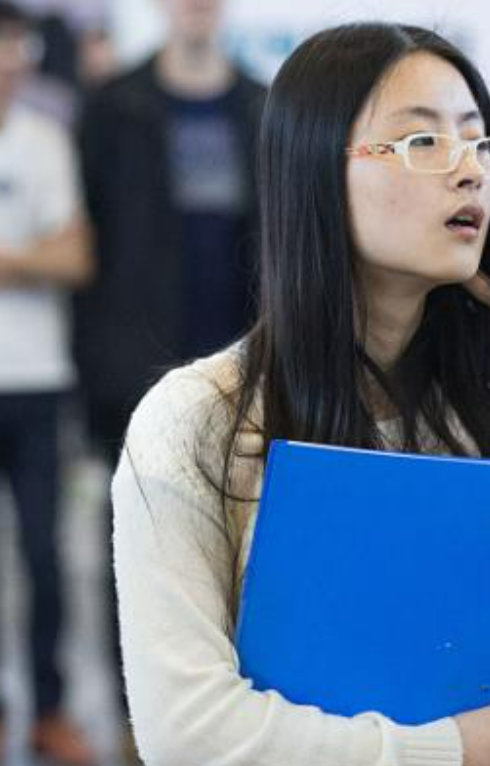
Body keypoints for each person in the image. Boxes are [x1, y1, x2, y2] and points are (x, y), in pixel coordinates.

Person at [112, 22, 490, 766]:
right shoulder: (202, 417)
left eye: (481, 145)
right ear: (315, 169)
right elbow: (187, 730)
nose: (470, 173)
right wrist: (441, 750)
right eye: (424, 141)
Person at [74, 0, 266, 752]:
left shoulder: (262, 107)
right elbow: (90, 248)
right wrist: (97, 364)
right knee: (135, 542)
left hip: (244, 363)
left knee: (247, 542)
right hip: (137, 367)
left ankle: (241, 710)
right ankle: (138, 717)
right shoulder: (113, 108)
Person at [0, 2, 97, 764]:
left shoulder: (44, 140)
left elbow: (75, 258)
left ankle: (50, 708)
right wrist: (30, 252)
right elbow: (50, 251)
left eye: (16, 49)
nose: (10, 64)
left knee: (45, 555)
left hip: (38, 379)